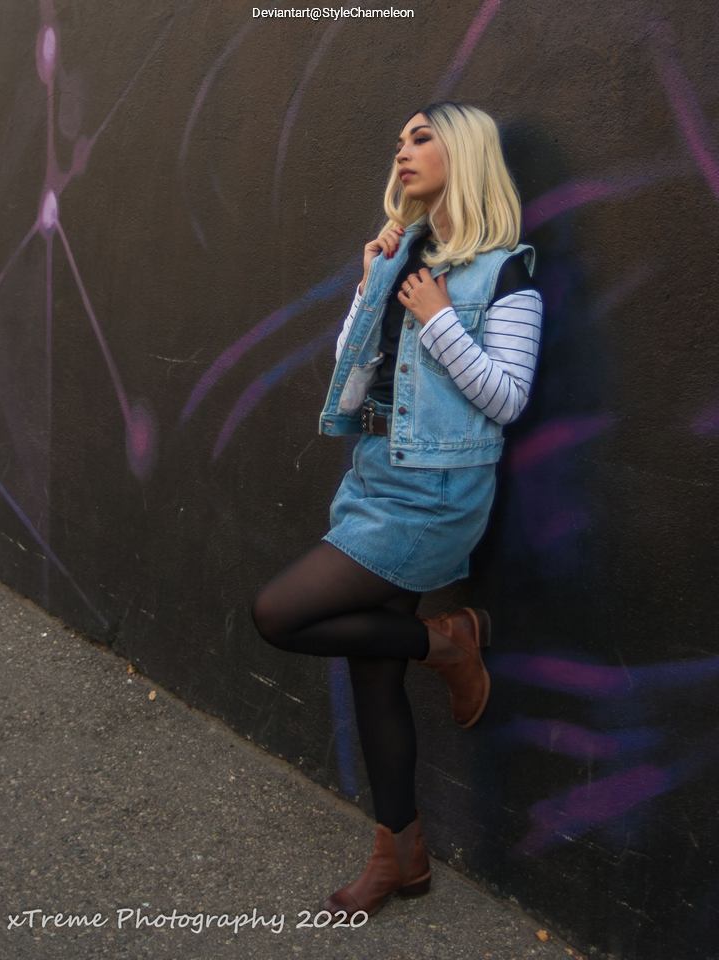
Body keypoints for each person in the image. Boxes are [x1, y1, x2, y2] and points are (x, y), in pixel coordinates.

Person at [250, 101, 542, 919]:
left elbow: (507, 399)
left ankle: (447, 642)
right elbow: (355, 370)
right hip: (375, 474)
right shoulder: (404, 250)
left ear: (465, 150)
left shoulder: (506, 271)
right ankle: (400, 856)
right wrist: (371, 286)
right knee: (372, 676)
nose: (403, 151)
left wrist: (439, 319)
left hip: (436, 494)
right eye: (400, 140)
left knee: (277, 614)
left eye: (423, 137)